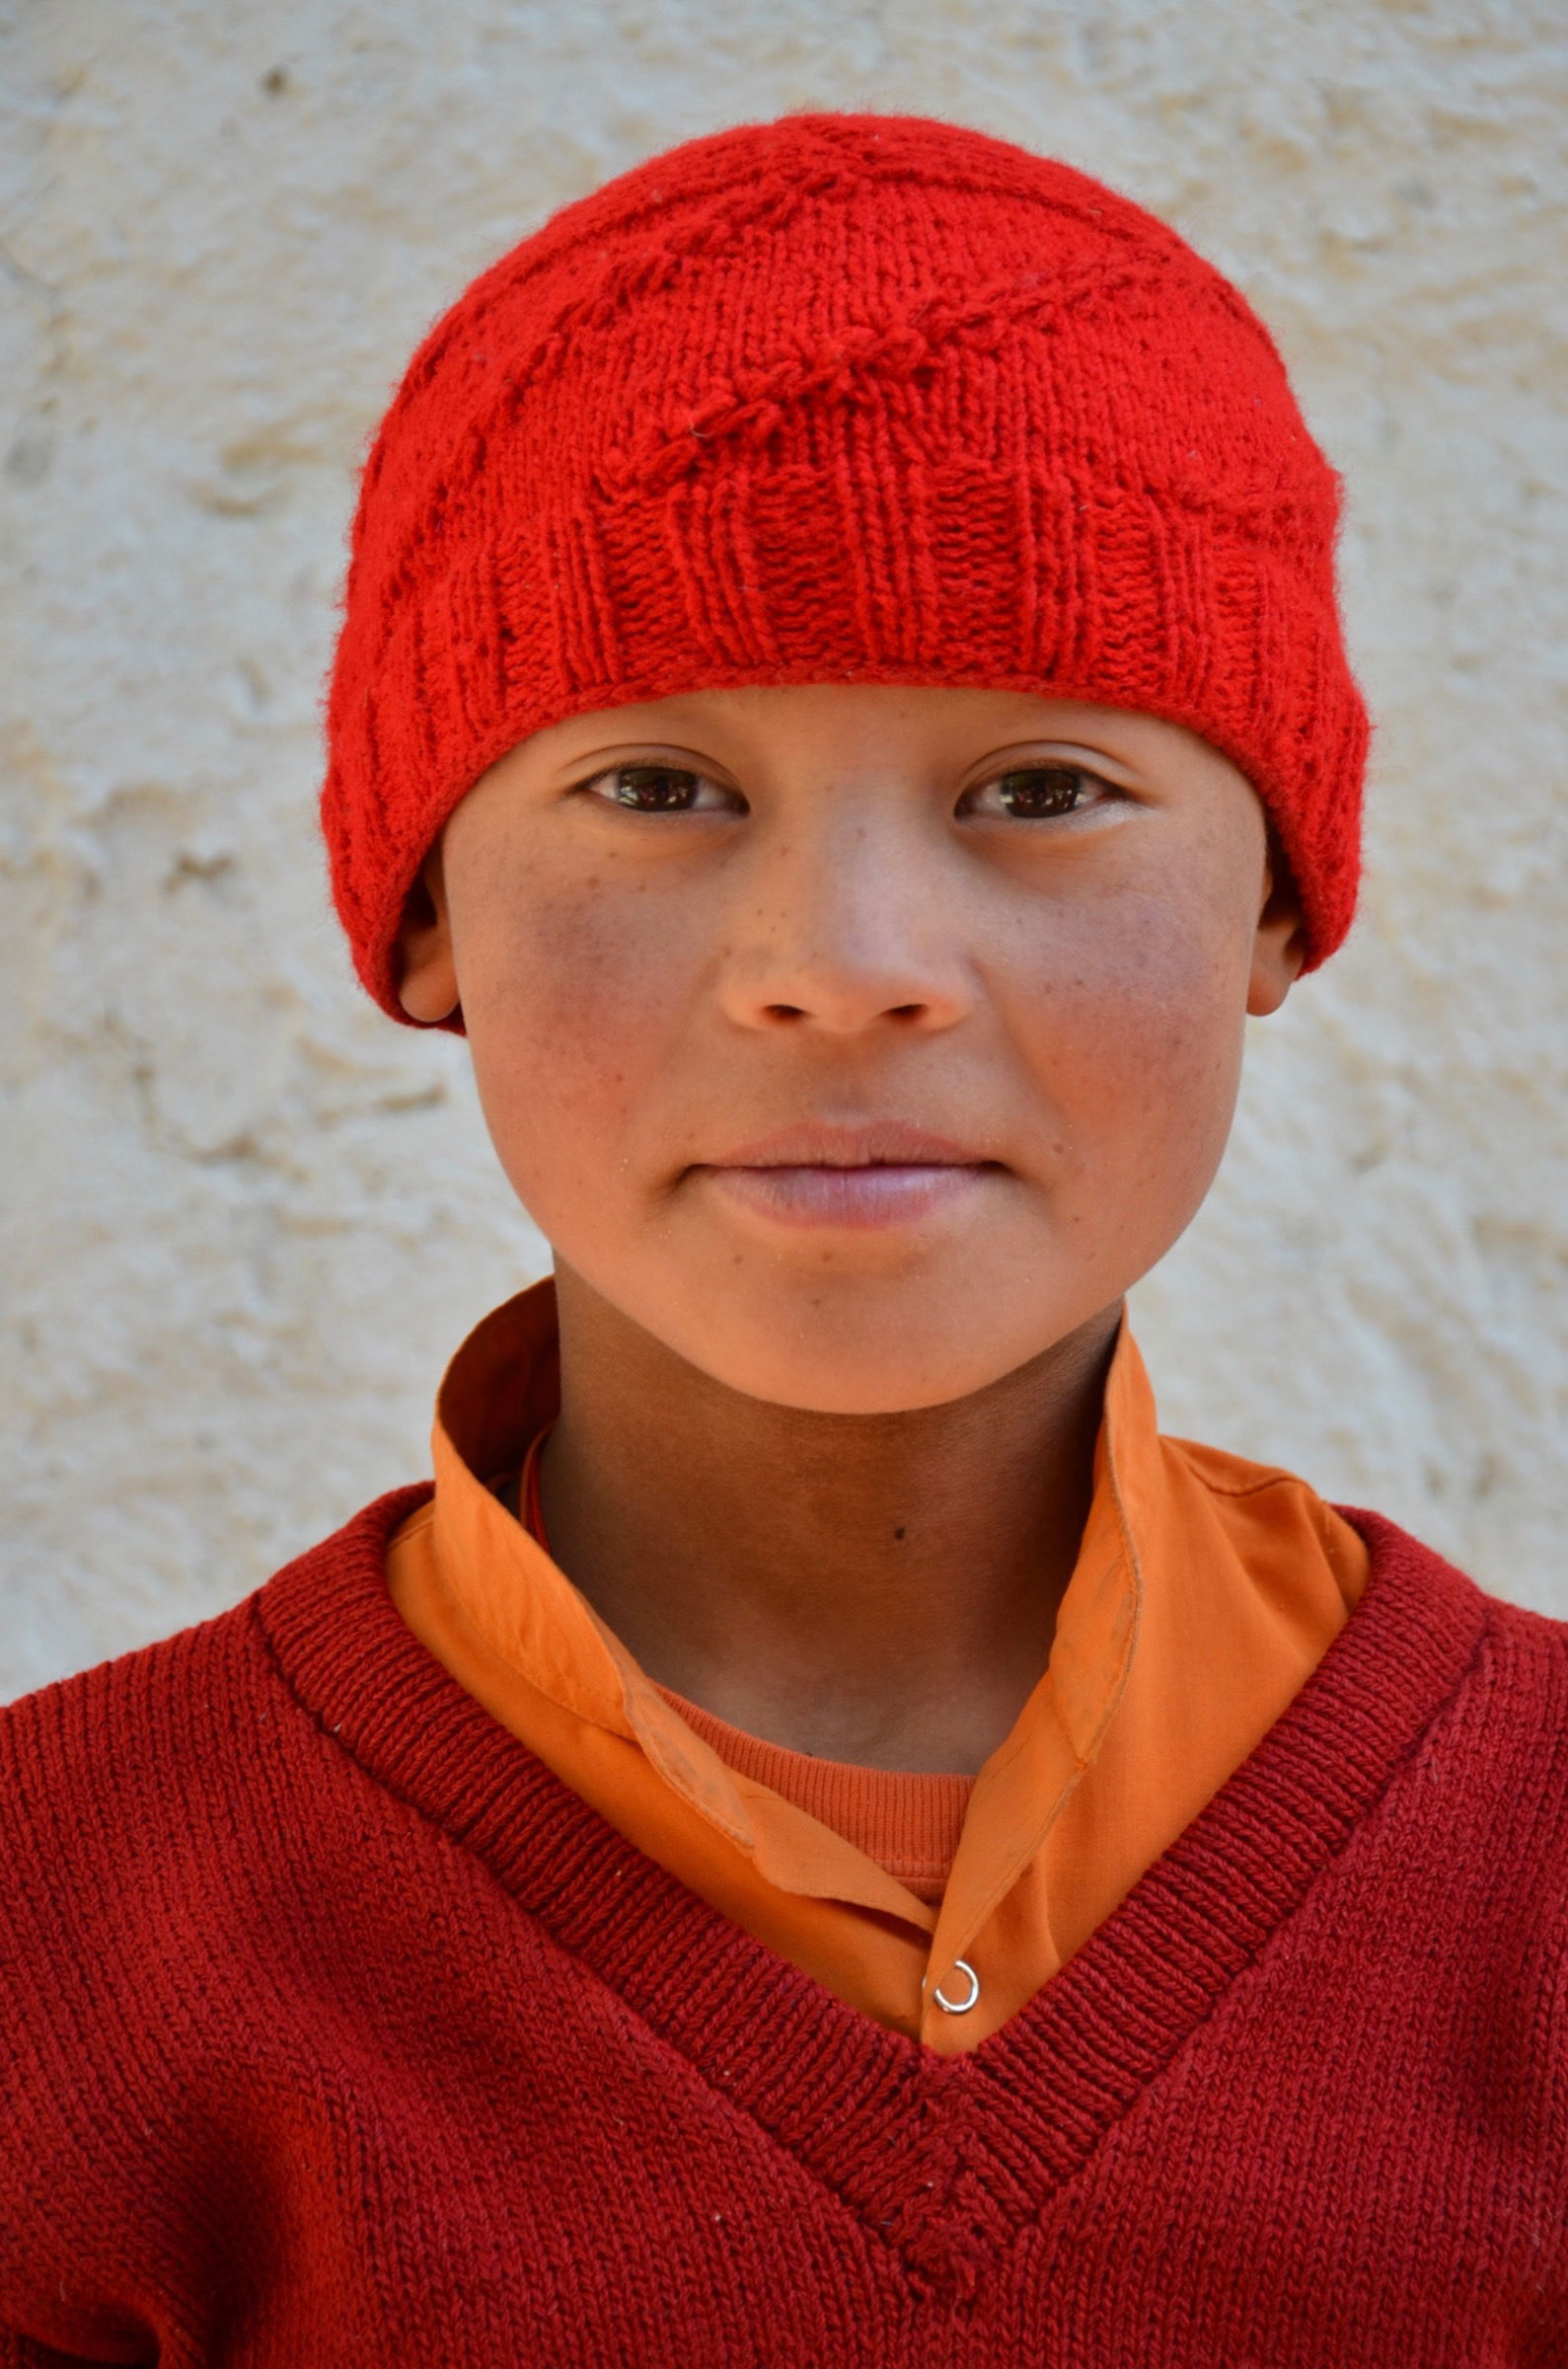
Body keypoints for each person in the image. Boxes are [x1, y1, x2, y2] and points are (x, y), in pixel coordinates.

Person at [2, 112, 1563, 2366]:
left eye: (1040, 789)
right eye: (658, 789)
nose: (842, 966)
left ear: (1281, 906)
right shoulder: (66, 1946)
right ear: (424, 909)